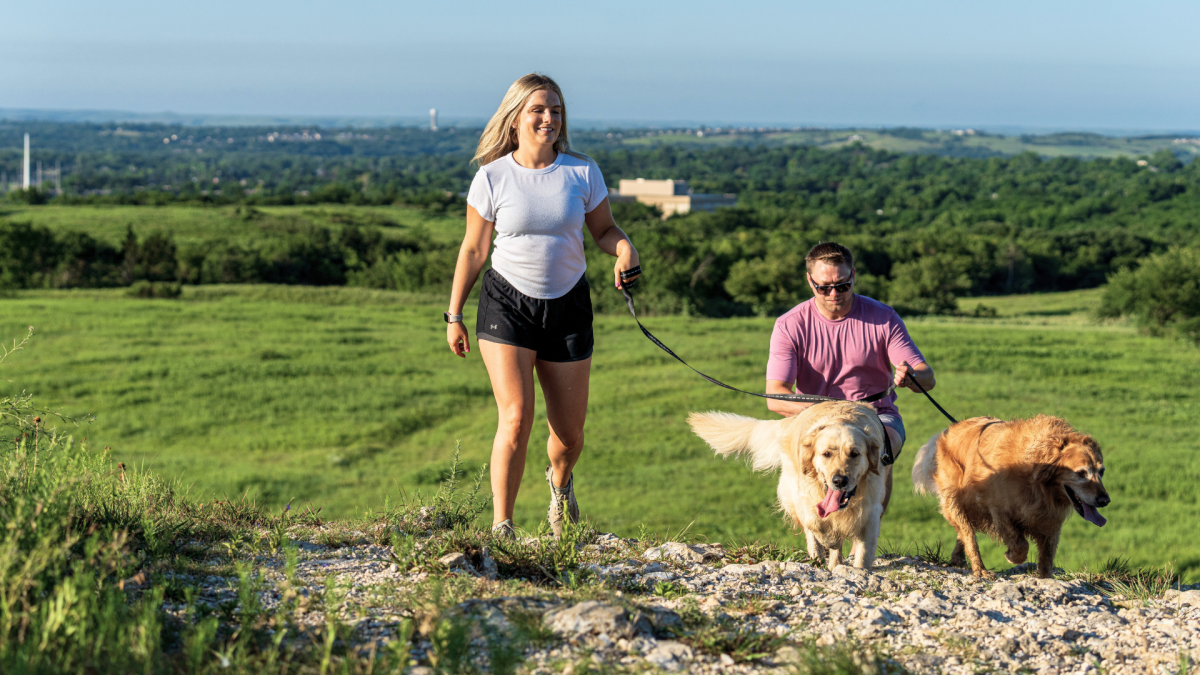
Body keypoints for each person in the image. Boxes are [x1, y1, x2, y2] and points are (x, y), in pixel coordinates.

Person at [444, 73, 640, 538]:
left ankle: (560, 484)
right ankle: (503, 527)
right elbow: (473, 250)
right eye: (538, 109)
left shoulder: (581, 172)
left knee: (569, 435)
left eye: (555, 110)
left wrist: (625, 249)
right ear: (515, 118)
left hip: (568, 305)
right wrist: (454, 315)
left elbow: (604, 231)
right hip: (506, 304)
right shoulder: (491, 177)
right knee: (515, 418)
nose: (548, 118)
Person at [765, 242, 935, 508]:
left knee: (883, 448)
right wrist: (829, 410)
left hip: (876, 414)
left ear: (853, 276)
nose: (834, 293)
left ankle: (868, 536)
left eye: (843, 285)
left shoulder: (883, 317)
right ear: (810, 282)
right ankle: (821, 531)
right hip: (814, 417)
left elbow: (928, 377)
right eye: (824, 287)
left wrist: (912, 376)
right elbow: (775, 396)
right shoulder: (789, 325)